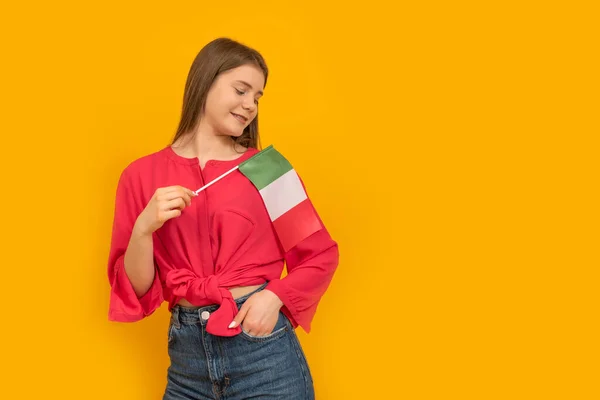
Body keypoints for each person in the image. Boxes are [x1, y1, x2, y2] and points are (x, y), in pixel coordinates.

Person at [106, 37, 339, 399]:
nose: (250, 106)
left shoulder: (267, 169)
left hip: (264, 355)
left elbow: (320, 254)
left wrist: (273, 297)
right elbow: (135, 288)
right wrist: (142, 229)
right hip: (187, 363)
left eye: (257, 97)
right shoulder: (140, 176)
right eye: (241, 90)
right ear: (205, 81)